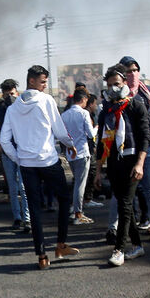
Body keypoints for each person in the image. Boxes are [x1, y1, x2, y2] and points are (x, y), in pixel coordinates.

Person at [0, 64, 78, 269]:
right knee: (64, 198)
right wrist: (70, 145)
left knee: (34, 210)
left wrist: (18, 158)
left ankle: (42, 256)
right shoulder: (46, 100)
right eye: (42, 81)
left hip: (27, 164)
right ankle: (60, 244)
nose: (45, 86)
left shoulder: (12, 108)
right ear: (31, 81)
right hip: (48, 161)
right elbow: (59, 131)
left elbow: (4, 140)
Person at [95, 65, 150, 266]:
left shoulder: (136, 105)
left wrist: (140, 163)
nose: (113, 89)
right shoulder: (106, 110)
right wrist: (98, 171)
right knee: (123, 205)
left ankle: (119, 249)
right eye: (109, 85)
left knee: (125, 204)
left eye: (116, 84)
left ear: (125, 83)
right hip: (114, 162)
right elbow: (102, 141)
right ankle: (138, 246)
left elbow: (146, 136)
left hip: (132, 161)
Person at [119, 56, 150, 243]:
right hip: (127, 149)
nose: (132, 74)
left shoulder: (147, 93)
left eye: (134, 70)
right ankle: (120, 231)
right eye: (127, 71)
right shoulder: (117, 94)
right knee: (125, 193)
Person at [0, 78, 29, 232]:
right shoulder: (1, 109)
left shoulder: (23, 106)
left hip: (22, 153)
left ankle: (27, 218)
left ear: (17, 92)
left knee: (23, 186)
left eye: (12, 94)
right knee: (13, 188)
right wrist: (0, 146)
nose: (10, 98)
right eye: (7, 95)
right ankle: (17, 217)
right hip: (8, 154)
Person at [60, 89, 95, 225]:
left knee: (77, 183)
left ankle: (75, 210)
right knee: (80, 185)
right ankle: (78, 214)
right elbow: (91, 135)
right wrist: (96, 128)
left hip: (70, 153)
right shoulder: (84, 113)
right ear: (84, 99)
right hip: (82, 152)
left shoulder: (65, 115)